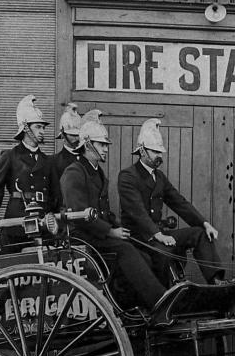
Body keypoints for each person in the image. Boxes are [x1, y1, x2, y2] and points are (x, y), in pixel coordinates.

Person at [60, 113, 167, 310]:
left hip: (96, 234)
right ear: (88, 144)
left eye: (106, 145)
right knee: (125, 249)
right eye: (102, 145)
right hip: (82, 237)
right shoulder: (74, 172)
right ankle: (160, 303)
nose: (106, 149)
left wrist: (119, 227)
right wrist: (110, 231)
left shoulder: (96, 172)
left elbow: (105, 213)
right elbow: (80, 215)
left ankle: (132, 308)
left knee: (144, 255)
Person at [118, 118, 228, 286]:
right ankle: (166, 296)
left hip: (159, 234)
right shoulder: (128, 176)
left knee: (199, 234)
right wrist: (158, 235)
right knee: (164, 251)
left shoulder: (159, 177)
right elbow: (137, 212)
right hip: (139, 237)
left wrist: (204, 223)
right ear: (142, 151)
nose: (159, 156)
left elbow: (179, 202)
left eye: (160, 152)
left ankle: (216, 281)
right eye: (155, 152)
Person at [0, 95, 59, 254]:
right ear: (25, 128)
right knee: (11, 265)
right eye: (38, 127)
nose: (42, 131)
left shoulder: (48, 161)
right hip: (16, 221)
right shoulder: (10, 157)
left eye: (43, 127)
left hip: (43, 220)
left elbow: (56, 195)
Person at [53, 102, 82, 177]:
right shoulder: (54, 161)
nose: (77, 138)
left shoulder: (87, 159)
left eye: (78, 135)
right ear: (63, 136)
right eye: (72, 135)